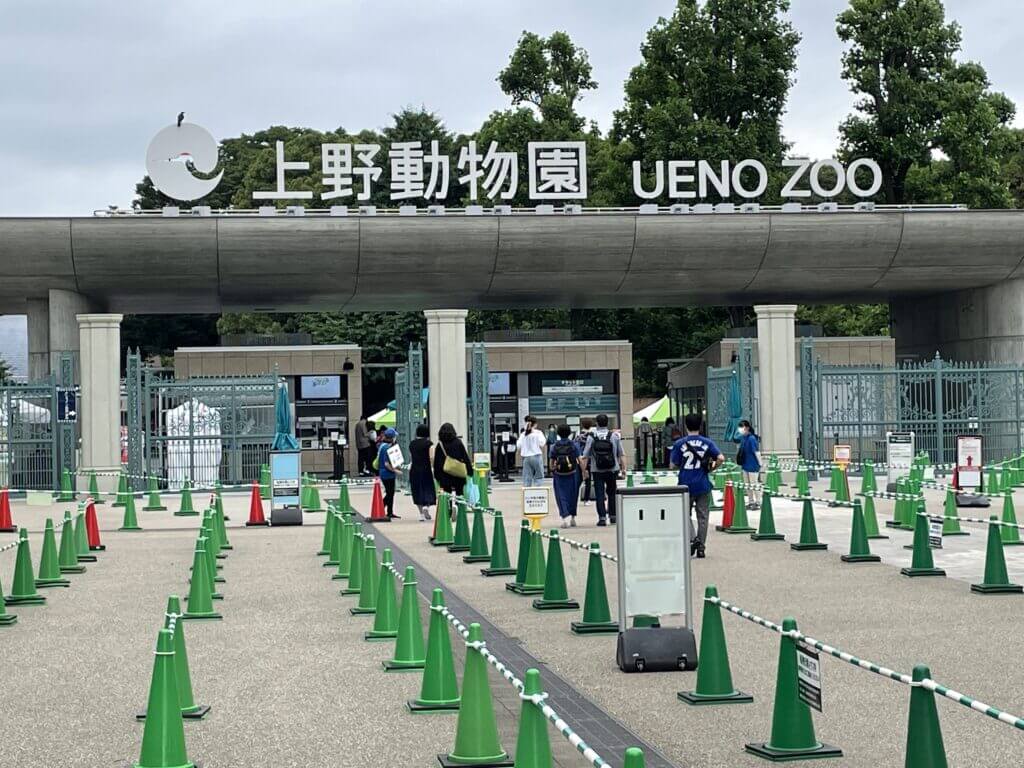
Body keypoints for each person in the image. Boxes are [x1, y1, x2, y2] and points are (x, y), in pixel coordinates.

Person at [670, 413, 724, 559]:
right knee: (703, 516)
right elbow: (721, 458)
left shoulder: (679, 444)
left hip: (685, 484)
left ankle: (693, 539)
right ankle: (701, 547)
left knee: (684, 514)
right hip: (702, 484)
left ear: (685, 426)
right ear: (700, 426)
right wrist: (712, 468)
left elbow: (673, 464)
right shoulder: (707, 442)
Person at [582, 414, 626, 526]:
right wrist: (624, 469)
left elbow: (585, 456)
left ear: (596, 423)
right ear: (607, 423)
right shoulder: (614, 436)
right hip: (612, 469)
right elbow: (621, 454)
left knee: (599, 494)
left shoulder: (592, 437)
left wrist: (584, 470)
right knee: (612, 492)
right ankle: (613, 516)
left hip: (597, 470)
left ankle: (602, 518)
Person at [549, 424, 580, 527]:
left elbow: (551, 460)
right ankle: (573, 518)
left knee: (561, 495)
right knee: (573, 495)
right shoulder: (573, 445)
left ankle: (564, 518)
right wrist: (584, 471)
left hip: (559, 474)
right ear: (569, 433)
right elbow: (579, 459)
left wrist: (552, 469)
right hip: (572, 473)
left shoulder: (554, 446)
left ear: (558, 433)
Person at [433, 422, 474, 496]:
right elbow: (465, 457)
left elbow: (436, 462)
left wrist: (437, 476)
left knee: (446, 496)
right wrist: (470, 471)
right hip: (458, 475)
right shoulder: (458, 443)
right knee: (459, 495)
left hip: (444, 476)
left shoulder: (440, 445)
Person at [408, 423, 436, 521]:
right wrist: (433, 467)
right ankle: (426, 506)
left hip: (414, 469)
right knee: (427, 489)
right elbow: (432, 457)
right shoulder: (429, 444)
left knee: (417, 491)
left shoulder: (412, 444)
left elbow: (411, 457)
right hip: (426, 469)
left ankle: (421, 515)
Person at [736, 419, 763, 509]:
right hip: (745, 465)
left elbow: (756, 452)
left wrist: (760, 463)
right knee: (747, 485)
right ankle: (751, 501)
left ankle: (758, 502)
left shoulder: (751, 439)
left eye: (742, 427)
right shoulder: (743, 438)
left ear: (747, 428)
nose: (740, 430)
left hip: (753, 465)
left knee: (754, 484)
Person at [377, 428, 402, 520]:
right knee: (390, 493)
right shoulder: (387, 448)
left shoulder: (382, 446)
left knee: (390, 493)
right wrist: (396, 470)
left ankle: (389, 512)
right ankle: (381, 507)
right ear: (392, 437)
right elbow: (387, 464)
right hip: (387, 474)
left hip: (384, 473)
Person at [517, 415, 547, 487]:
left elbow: (518, 445)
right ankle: (538, 489)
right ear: (535, 424)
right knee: (539, 475)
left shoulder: (523, 434)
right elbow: (542, 443)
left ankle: (527, 491)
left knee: (527, 476)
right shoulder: (538, 433)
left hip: (526, 458)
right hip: (536, 456)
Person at [575, 418, 594, 505]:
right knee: (588, 480)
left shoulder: (578, 436)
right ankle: (586, 499)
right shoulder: (592, 436)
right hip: (589, 460)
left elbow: (575, 447)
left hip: (579, 459)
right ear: (590, 426)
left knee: (578, 480)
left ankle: (574, 498)